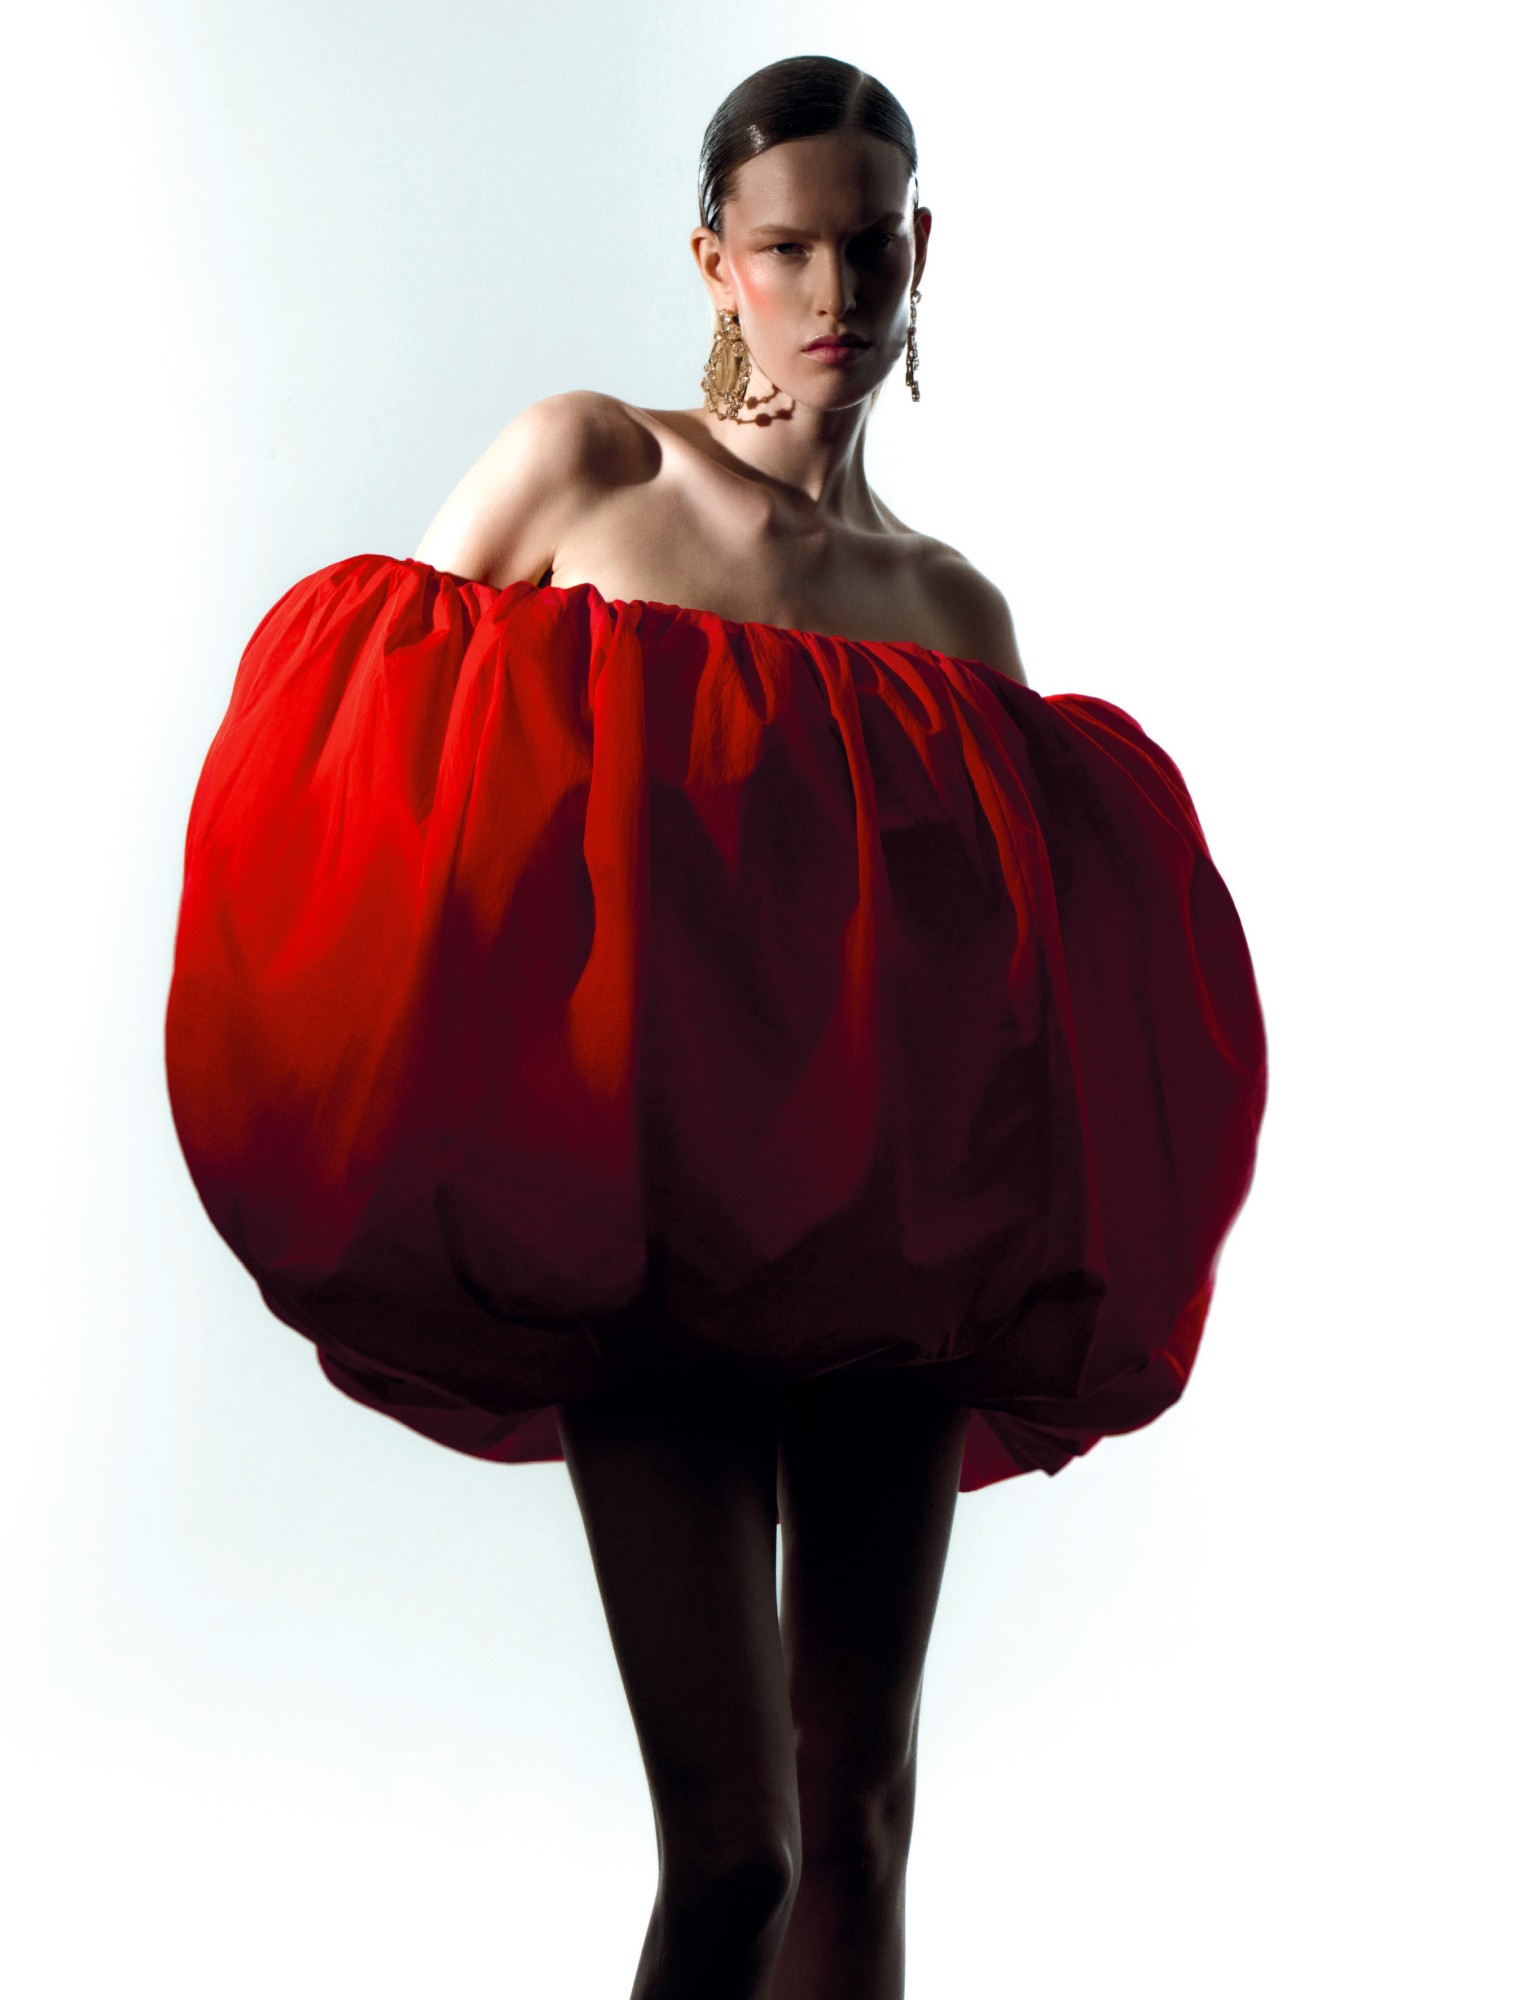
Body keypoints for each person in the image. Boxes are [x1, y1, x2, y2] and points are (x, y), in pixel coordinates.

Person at [164, 53, 1267, 2000]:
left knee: (858, 1826)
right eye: (786, 251)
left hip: (888, 1266)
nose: (833, 293)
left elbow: (999, 1001)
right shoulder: (591, 471)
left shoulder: (952, 617)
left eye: (867, 249)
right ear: (713, 263)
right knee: (739, 1852)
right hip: (650, 1249)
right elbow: (377, 760)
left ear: (920, 254)